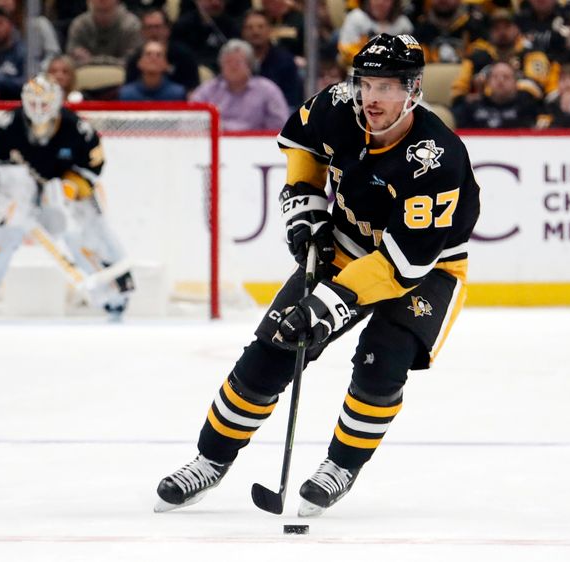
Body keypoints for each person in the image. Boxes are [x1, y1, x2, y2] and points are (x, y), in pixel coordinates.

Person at [155, 33, 480, 516]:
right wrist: (305, 209)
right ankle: (209, 460)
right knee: (272, 350)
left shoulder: (437, 157)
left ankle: (339, 468)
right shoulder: (336, 106)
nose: (372, 97)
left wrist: (326, 306)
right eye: (367, 83)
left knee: (381, 364)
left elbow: (403, 264)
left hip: (427, 269)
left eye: (387, 87)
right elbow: (303, 150)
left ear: (413, 90)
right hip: (347, 246)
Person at [0, 75, 135, 319]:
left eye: (44, 103)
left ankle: (114, 293)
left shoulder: (77, 128)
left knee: (84, 224)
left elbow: (93, 166)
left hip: (61, 186)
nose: (38, 109)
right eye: (33, 102)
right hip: (18, 189)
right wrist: (12, 181)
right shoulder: (7, 125)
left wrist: (72, 186)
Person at [190, 39, 289, 131]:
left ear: (249, 65)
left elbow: (280, 123)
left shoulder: (268, 90)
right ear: (221, 66)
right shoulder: (208, 90)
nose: (233, 67)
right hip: (217, 144)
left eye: (238, 62)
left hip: (257, 145)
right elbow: (191, 118)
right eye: (228, 62)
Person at [124, 8, 200, 94]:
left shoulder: (184, 57)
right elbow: (129, 91)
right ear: (142, 32)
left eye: (158, 27)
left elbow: (192, 91)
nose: (153, 32)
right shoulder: (135, 58)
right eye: (149, 27)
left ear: (168, 30)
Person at [241, 9, 301, 108]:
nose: (255, 32)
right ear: (243, 32)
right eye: (249, 28)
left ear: (269, 30)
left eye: (260, 27)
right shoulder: (236, 61)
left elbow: (291, 101)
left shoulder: (285, 60)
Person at [454, 61, 540, 129]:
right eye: (495, 77)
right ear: (488, 82)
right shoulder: (474, 106)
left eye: (506, 77)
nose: (500, 80)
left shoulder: (526, 106)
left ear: (515, 82)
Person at [66, 0, 142, 68]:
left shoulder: (131, 25)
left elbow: (132, 62)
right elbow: (70, 61)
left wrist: (91, 60)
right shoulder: (79, 24)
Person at [338, 0, 413, 66]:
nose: (380, 2)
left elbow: (410, 56)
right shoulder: (356, 18)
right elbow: (346, 51)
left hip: (392, 72)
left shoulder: (403, 25)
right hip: (360, 69)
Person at [119, 40, 186, 101]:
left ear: (166, 64)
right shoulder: (126, 94)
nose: (153, 58)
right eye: (148, 54)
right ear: (139, 63)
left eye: (158, 55)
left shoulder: (178, 93)